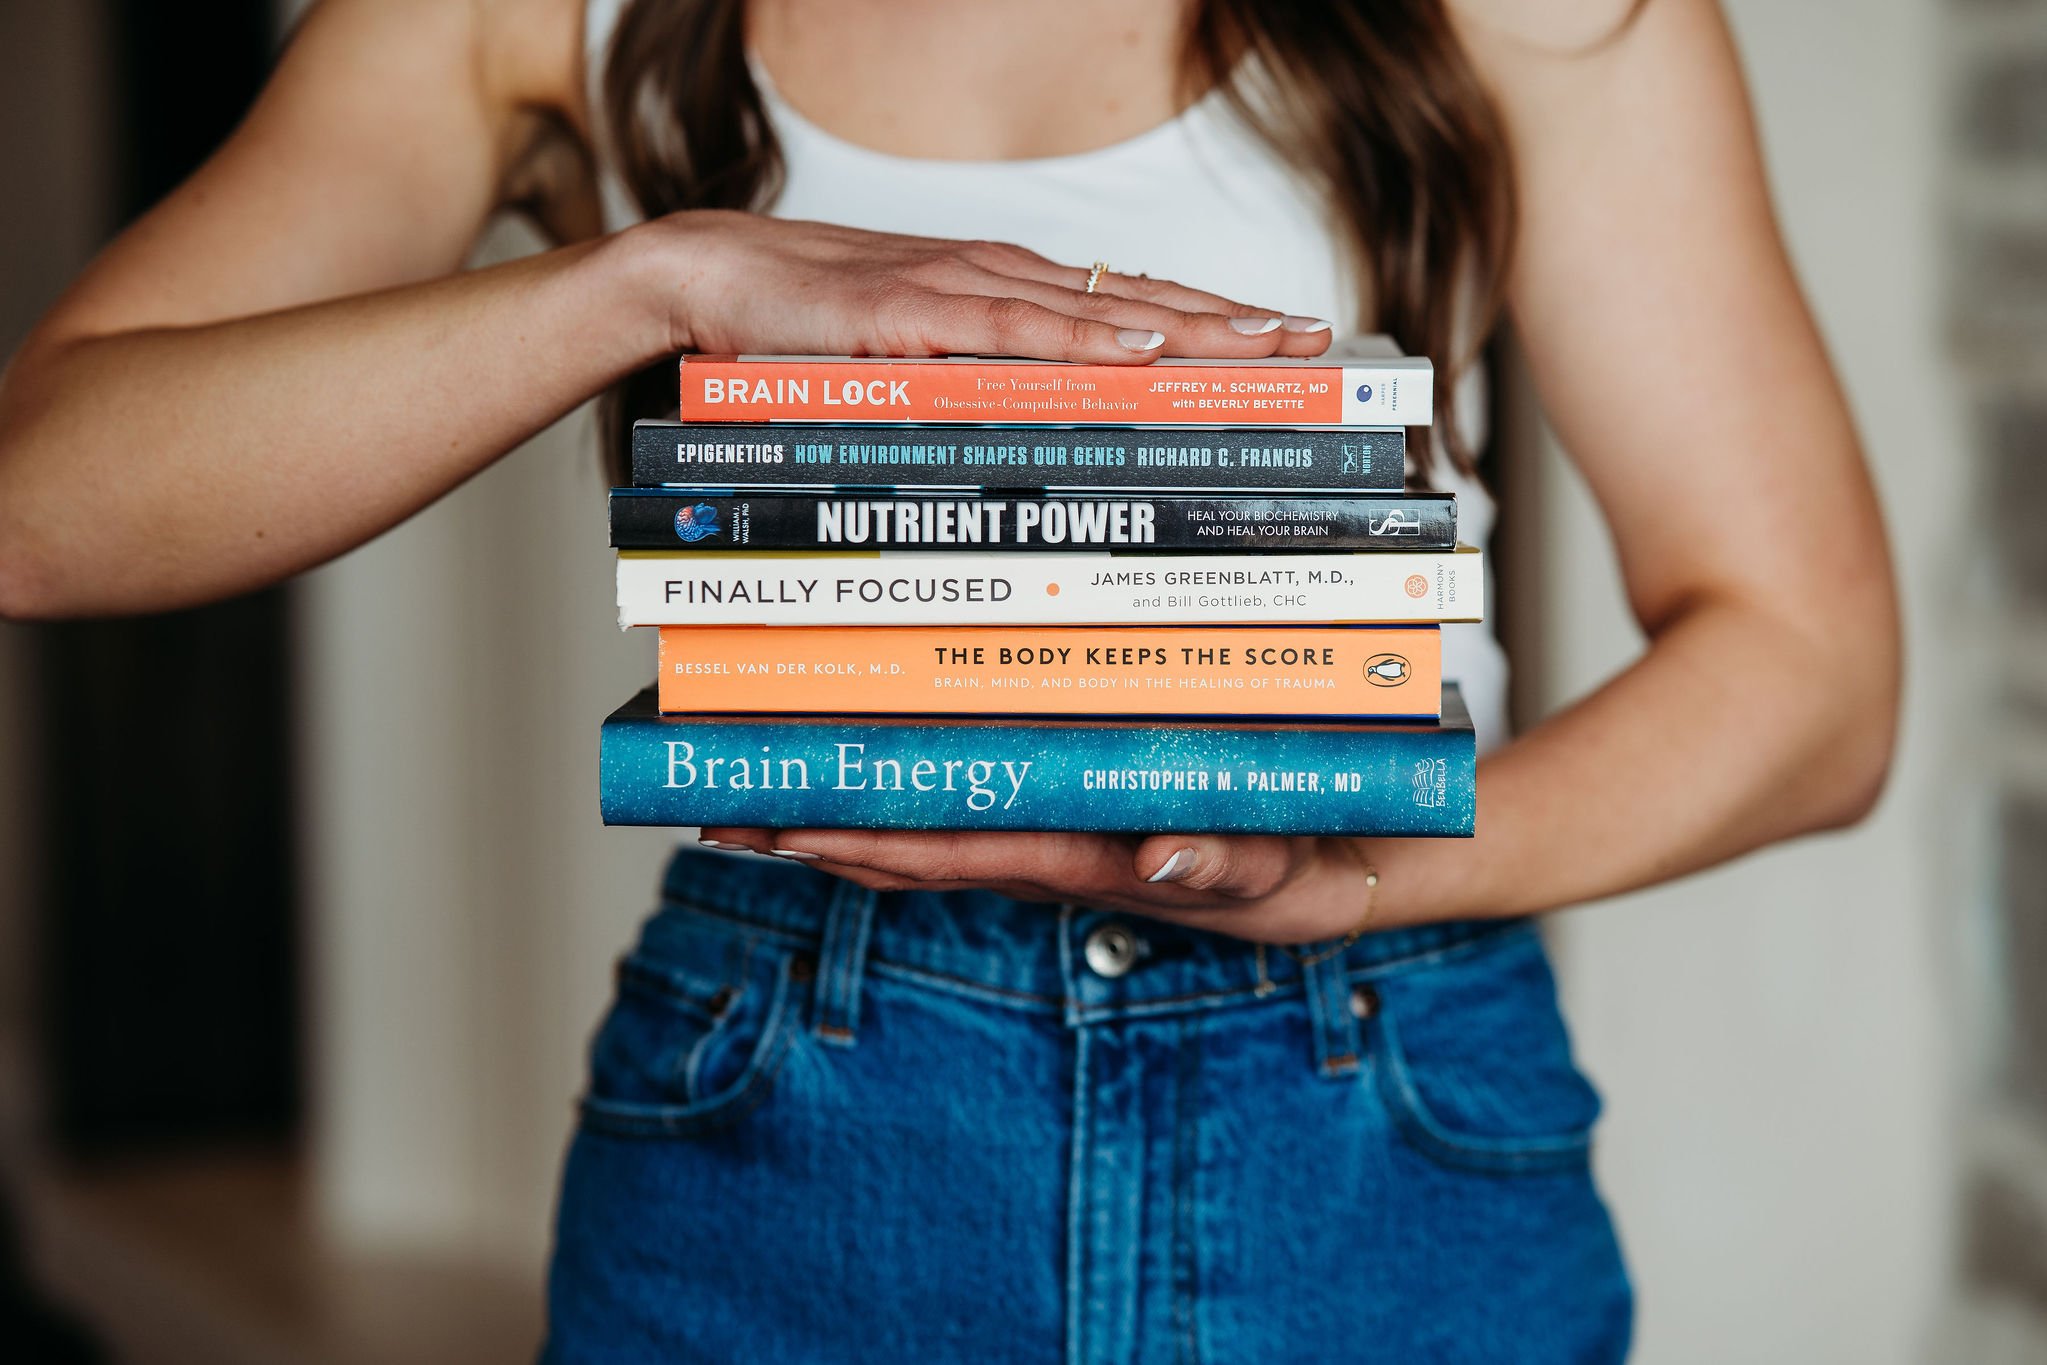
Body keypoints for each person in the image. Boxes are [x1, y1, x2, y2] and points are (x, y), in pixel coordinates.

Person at [0, 0, 1899, 1359]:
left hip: (1377, 1101)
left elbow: (1812, 673)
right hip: (788, 1093)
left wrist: (1363, 867)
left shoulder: (1551, 18)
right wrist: (657, 287)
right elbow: (44, 501)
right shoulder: (522, 19)